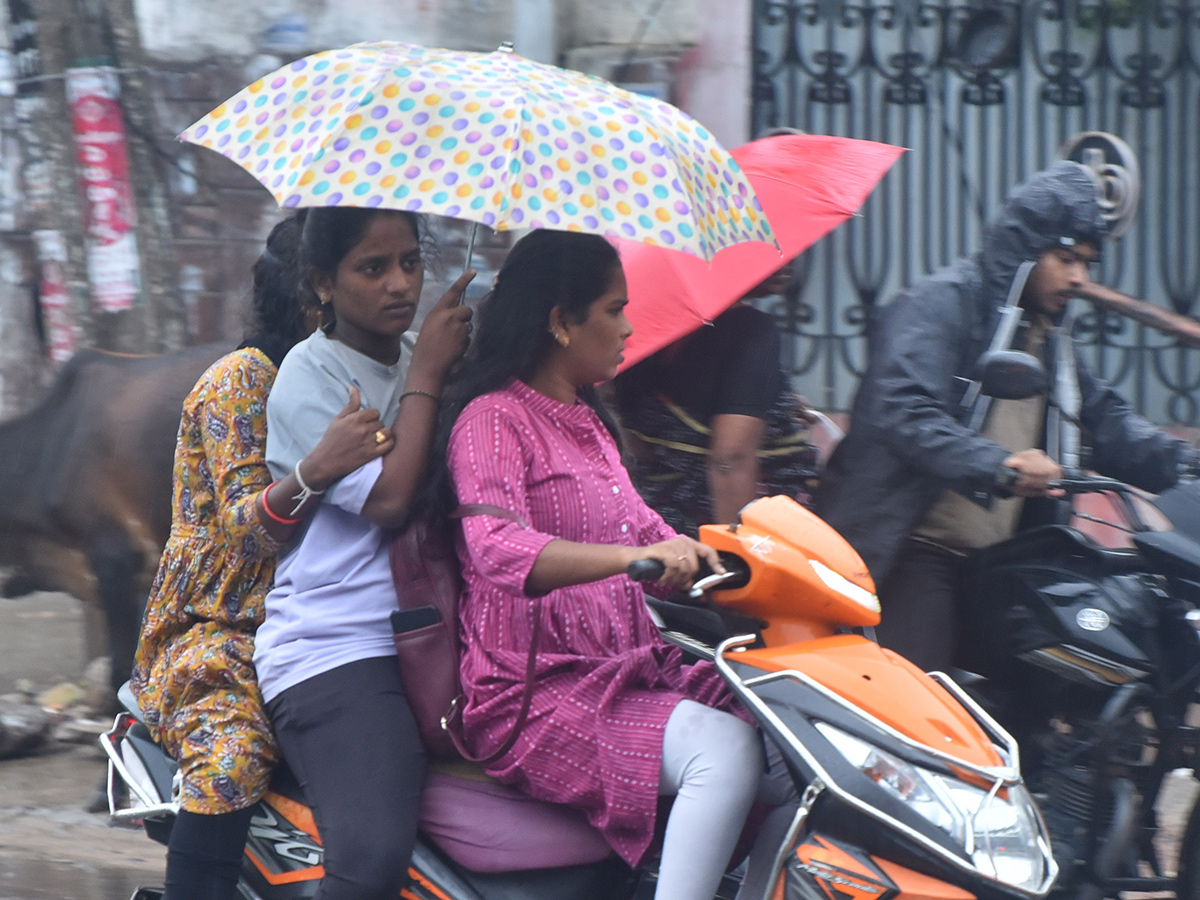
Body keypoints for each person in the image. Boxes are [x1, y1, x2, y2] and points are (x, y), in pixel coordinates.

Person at [430, 229, 796, 900]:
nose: (631, 326)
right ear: (562, 322)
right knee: (724, 752)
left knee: (794, 739)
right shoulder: (492, 420)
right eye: (615, 309)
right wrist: (634, 558)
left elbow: (651, 530)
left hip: (629, 671)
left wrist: (750, 567)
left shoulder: (589, 423)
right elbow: (496, 548)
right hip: (532, 694)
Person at [815, 160, 1197, 672]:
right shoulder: (943, 303)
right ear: (1024, 252)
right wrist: (1001, 466)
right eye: (1065, 258)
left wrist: (1185, 463)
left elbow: (1106, 420)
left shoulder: (1048, 340)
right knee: (924, 715)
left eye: (1086, 262)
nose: (1078, 277)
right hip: (912, 549)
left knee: (1047, 697)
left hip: (997, 563)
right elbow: (902, 409)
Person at [131, 212, 398, 900]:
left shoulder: (363, 372)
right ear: (312, 293)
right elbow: (248, 530)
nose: (392, 288)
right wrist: (316, 467)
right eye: (368, 272)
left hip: (321, 615)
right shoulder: (242, 382)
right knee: (234, 759)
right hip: (218, 628)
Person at [255, 206, 474, 900]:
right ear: (323, 283)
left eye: (409, 262)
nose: (398, 284)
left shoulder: (418, 358)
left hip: (433, 632)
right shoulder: (309, 376)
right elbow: (388, 500)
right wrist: (431, 376)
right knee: (374, 852)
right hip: (340, 647)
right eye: (372, 268)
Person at [614, 266, 819, 536]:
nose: (788, 262)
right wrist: (737, 559)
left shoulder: (644, 326)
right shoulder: (749, 329)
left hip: (658, 526)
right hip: (723, 527)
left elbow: (640, 437)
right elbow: (730, 461)